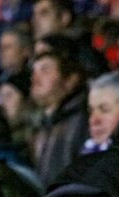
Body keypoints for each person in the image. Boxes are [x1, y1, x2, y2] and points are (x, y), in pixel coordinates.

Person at [30, 48, 88, 187]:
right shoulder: (41, 125)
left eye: (45, 70)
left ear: (70, 80)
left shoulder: (83, 121)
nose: (35, 78)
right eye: (34, 72)